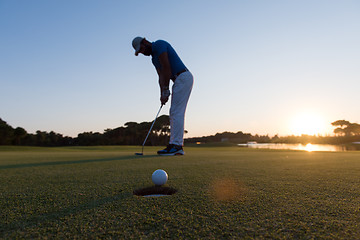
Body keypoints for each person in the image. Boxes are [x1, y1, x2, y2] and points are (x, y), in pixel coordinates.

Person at [132, 37, 193, 156]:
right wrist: (162, 93)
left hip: (183, 77)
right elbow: (161, 76)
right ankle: (174, 144)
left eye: (142, 49)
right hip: (178, 80)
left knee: (177, 112)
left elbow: (166, 68)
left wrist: (166, 89)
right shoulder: (154, 59)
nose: (143, 53)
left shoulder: (159, 45)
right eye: (140, 52)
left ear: (145, 42)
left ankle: (177, 146)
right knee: (174, 112)